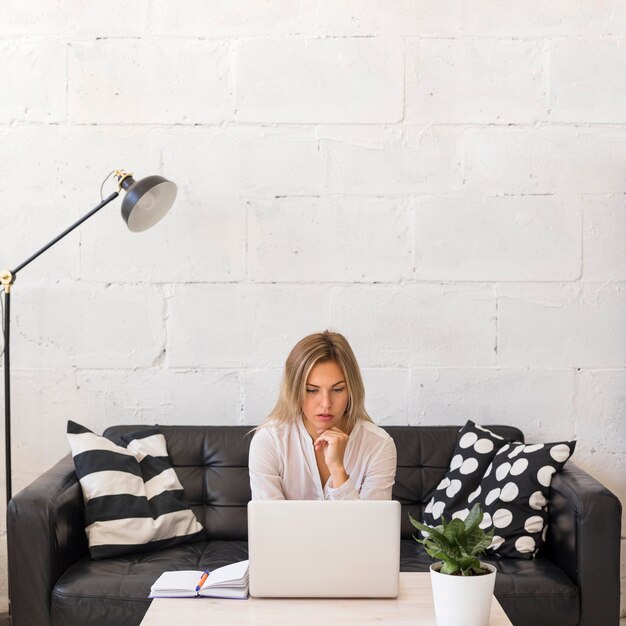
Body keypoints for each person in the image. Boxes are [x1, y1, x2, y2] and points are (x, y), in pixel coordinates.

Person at [249, 330, 397, 500]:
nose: (326, 403)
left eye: (337, 389)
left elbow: (371, 526)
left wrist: (337, 470)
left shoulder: (378, 445)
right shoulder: (270, 441)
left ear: (351, 390)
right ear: (294, 390)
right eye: (312, 390)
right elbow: (269, 523)